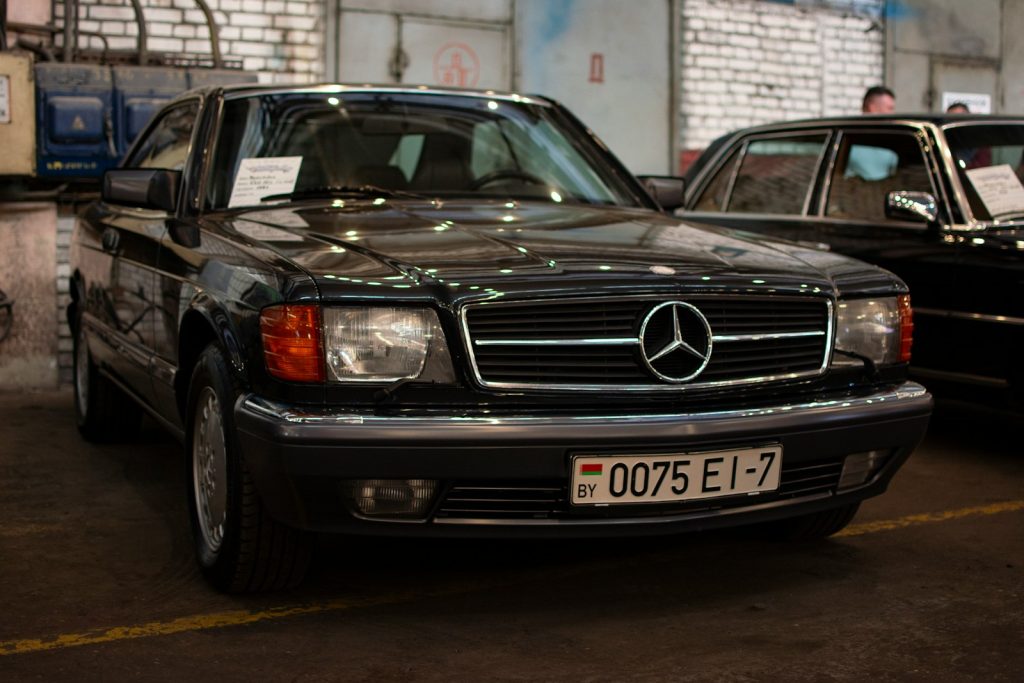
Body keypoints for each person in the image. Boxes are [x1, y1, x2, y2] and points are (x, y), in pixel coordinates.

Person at [848, 86, 898, 180]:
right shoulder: (848, 136)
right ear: (873, 108)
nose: (892, 114)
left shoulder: (891, 138)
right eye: (889, 108)